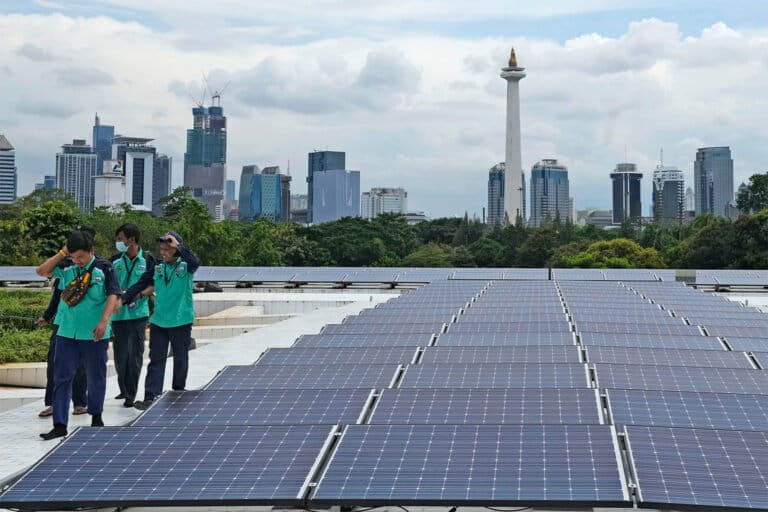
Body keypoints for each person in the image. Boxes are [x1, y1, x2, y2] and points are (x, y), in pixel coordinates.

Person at [35, 229, 121, 440]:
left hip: (93, 333)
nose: (78, 260)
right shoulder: (66, 266)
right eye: (74, 256)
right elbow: (41, 271)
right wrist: (63, 254)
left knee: (95, 376)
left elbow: (113, 295)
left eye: (81, 256)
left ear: (91, 251)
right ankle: (60, 424)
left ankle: (96, 417)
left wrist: (103, 322)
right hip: (66, 332)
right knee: (61, 378)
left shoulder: (104, 268)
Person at [128, 232, 199, 410]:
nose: (164, 253)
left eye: (167, 249)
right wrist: (125, 298)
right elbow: (142, 282)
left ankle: (178, 391)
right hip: (159, 320)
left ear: (176, 249)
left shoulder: (185, 266)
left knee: (180, 358)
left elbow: (195, 262)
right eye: (162, 249)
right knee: (156, 359)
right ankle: (151, 396)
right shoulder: (158, 267)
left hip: (180, 320)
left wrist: (178, 246)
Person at [110, 223, 155, 408]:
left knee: (135, 355)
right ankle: (124, 388)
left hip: (138, 314)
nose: (118, 242)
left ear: (132, 240)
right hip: (118, 315)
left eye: (121, 239)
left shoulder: (148, 260)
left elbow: (154, 284)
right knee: (121, 357)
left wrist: (141, 294)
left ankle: (130, 394)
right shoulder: (114, 261)